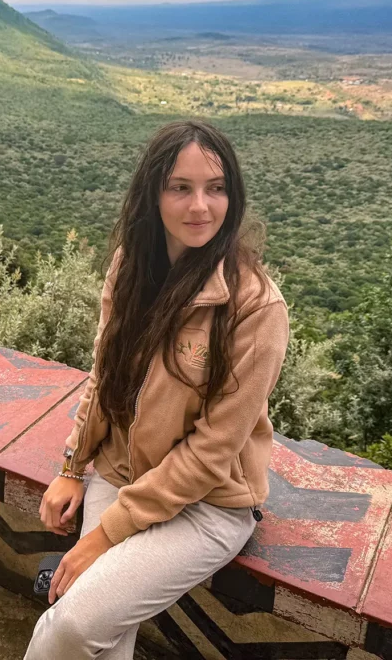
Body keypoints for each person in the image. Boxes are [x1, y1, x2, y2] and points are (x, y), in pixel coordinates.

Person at [24, 119, 290, 660]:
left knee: (72, 626)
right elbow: (105, 376)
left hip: (208, 506)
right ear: (154, 192)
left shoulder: (255, 308)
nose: (200, 206)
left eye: (216, 189)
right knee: (105, 635)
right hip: (121, 476)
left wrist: (103, 536)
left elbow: (213, 451)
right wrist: (72, 467)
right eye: (181, 187)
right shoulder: (131, 267)